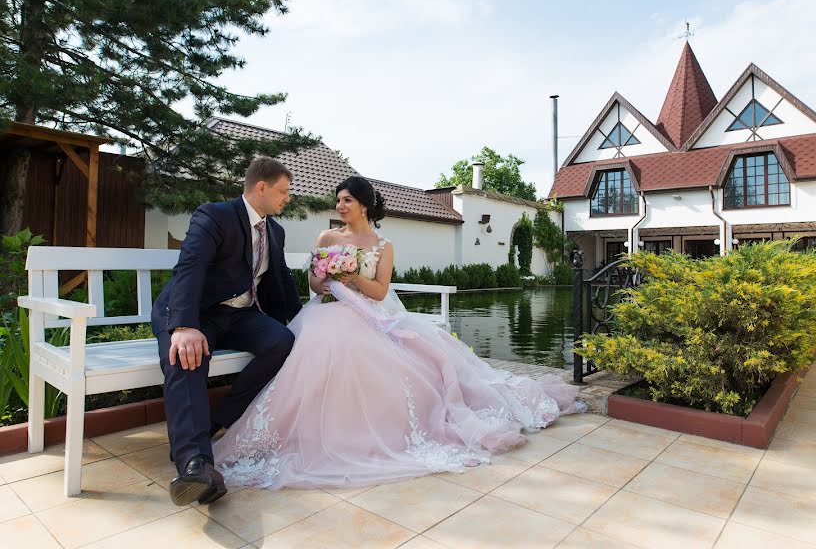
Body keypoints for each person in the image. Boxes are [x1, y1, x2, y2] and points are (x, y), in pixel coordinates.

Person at [213, 176, 583, 489]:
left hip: (371, 314)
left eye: (347, 200)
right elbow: (312, 282)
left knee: (388, 353)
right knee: (313, 346)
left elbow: (378, 291)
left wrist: (352, 276)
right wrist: (325, 283)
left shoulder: (382, 247)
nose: (340, 206)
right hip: (326, 313)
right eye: (338, 200)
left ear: (364, 205)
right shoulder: (327, 238)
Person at [151, 157, 302, 506]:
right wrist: (185, 326)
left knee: (282, 342)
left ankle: (214, 422)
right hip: (197, 312)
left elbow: (279, 282)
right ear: (260, 187)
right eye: (283, 191)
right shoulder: (214, 215)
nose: (287, 199)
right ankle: (194, 464)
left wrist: (304, 320)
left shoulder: (274, 231)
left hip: (239, 316)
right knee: (186, 356)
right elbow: (191, 266)